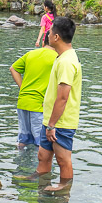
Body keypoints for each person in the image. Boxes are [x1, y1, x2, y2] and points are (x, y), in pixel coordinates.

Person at [35, 16, 83, 193]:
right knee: (43, 155)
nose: (47, 34)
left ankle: (64, 189)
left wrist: (52, 125)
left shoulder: (66, 61)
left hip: (60, 122)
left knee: (63, 160)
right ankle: (40, 179)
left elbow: (63, 97)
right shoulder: (61, 56)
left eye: (50, 31)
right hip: (51, 120)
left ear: (56, 37)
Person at [10, 43, 58, 149]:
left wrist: (22, 88)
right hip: (39, 104)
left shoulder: (31, 54)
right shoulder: (57, 57)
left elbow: (13, 69)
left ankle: (22, 163)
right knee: (41, 142)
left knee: (23, 139)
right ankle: (40, 165)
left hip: (23, 101)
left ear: (43, 43)